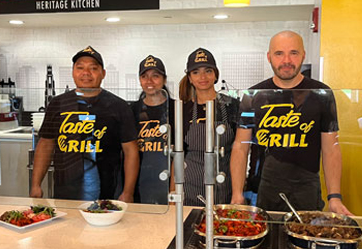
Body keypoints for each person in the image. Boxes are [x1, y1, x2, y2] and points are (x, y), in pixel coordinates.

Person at [230, 30, 352, 215]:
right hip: (266, 188)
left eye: (293, 53)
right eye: (279, 53)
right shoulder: (253, 96)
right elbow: (240, 146)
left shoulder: (322, 94)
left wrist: (334, 197)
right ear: (269, 57)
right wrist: (237, 193)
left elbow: (331, 148)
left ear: (303, 55)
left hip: (307, 188)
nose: (286, 60)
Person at [30, 46, 139, 202]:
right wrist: (36, 185)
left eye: (93, 68)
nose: (86, 73)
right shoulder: (58, 104)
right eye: (80, 67)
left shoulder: (119, 106)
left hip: (108, 192)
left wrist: (128, 192)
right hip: (65, 192)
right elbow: (45, 144)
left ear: (103, 74)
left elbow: (130, 151)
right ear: (73, 72)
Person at [176, 48, 239, 206]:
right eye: (196, 72)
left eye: (208, 71)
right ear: (189, 78)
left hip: (224, 187)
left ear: (215, 75)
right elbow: (177, 156)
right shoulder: (183, 109)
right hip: (189, 189)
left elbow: (241, 150)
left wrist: (239, 190)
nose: (202, 77)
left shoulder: (232, 106)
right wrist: (174, 192)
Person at [130, 55, 174, 204]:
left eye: (155, 76)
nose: (149, 81)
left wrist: (174, 189)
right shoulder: (131, 110)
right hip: (141, 182)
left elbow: (182, 154)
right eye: (144, 76)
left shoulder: (176, 108)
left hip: (167, 181)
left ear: (164, 79)